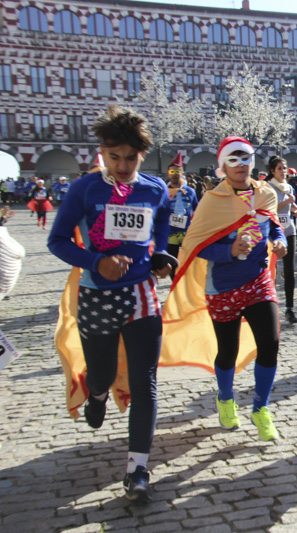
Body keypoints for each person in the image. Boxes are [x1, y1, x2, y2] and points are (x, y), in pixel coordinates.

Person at [48, 105, 176, 502]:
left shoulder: (154, 189)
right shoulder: (83, 189)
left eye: (130, 157)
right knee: (100, 373)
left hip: (141, 296)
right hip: (97, 296)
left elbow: (158, 232)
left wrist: (158, 259)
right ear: (101, 152)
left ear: (142, 154)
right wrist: (96, 261)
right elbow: (57, 241)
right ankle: (99, 393)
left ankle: (137, 469)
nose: (122, 165)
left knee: (145, 384)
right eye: (113, 156)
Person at [163, 137, 287, 441]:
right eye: (233, 158)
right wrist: (228, 250)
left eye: (246, 157)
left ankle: (261, 408)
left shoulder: (265, 193)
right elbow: (195, 244)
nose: (241, 164)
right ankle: (226, 398)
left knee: (270, 344)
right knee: (227, 351)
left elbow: (272, 224)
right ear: (222, 165)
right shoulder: (211, 200)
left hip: (258, 281)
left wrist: (280, 240)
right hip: (223, 287)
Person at [266, 155, 297, 323]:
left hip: (288, 230)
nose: (283, 171)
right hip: (272, 233)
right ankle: (270, 307)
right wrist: (288, 201)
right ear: (272, 171)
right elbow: (271, 208)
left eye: (285, 168)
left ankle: (290, 308)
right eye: (279, 168)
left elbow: (291, 203)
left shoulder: (288, 187)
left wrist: (296, 209)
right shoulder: (268, 188)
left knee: (290, 271)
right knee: (270, 271)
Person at [165, 153, 198, 275]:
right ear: (168, 173)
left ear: (182, 173)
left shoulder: (190, 191)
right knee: (172, 265)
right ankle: (175, 285)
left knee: (189, 263)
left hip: (186, 233)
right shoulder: (164, 191)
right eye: (172, 172)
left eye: (177, 172)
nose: (175, 175)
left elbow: (197, 210)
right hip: (170, 233)